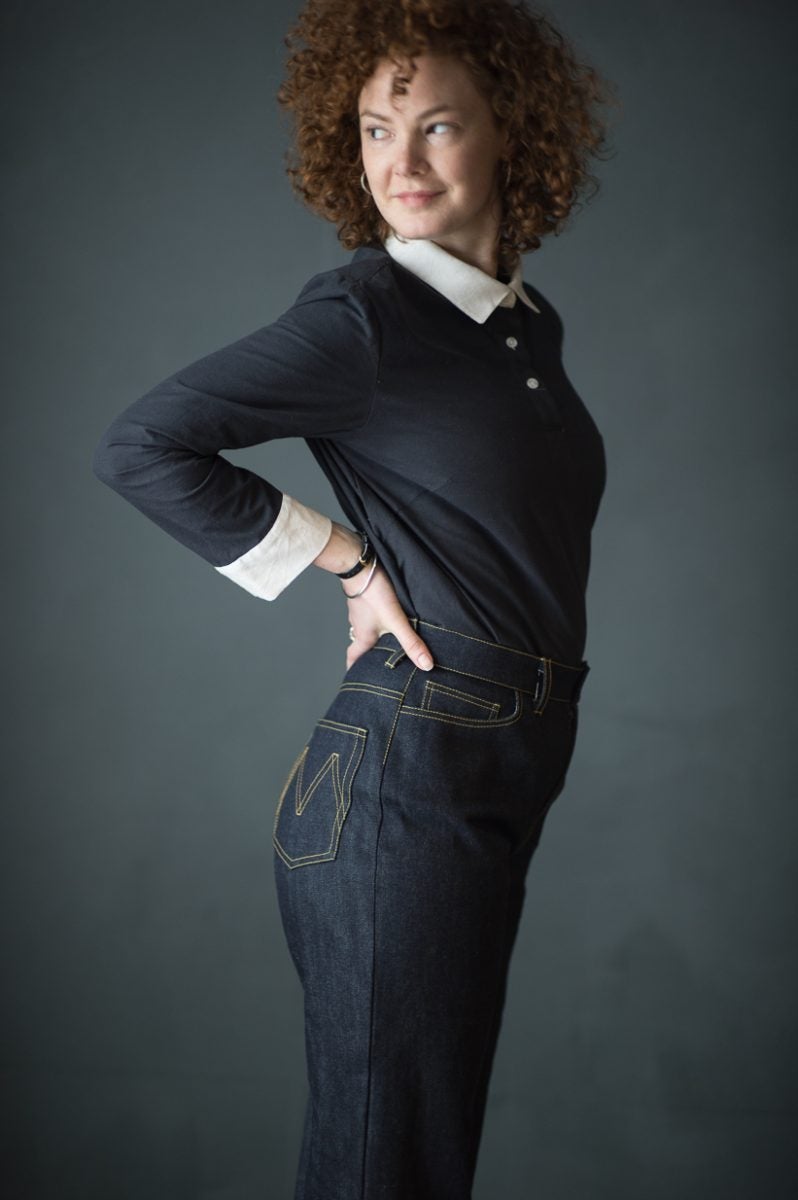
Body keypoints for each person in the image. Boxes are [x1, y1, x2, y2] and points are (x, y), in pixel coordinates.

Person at [93, 1, 614, 1195]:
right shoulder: (364, 316)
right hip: (407, 775)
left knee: (423, 1158)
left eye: (437, 126)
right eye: (378, 129)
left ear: (512, 133)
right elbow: (142, 446)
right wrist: (349, 561)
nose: (401, 161)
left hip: (504, 762)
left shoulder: (526, 326)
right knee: (389, 1162)